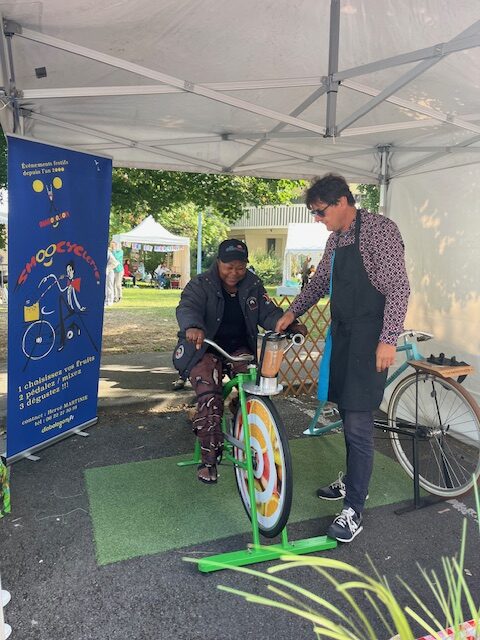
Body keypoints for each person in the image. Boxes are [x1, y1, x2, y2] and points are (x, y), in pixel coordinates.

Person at [275, 173, 410, 543]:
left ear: (341, 202)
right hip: (345, 334)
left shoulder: (379, 231)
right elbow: (320, 283)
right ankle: (353, 481)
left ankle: (354, 509)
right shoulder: (336, 239)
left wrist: (387, 340)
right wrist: (294, 311)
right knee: (347, 413)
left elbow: (399, 288)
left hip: (371, 337)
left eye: (320, 212)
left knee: (357, 423)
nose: (318, 220)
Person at [173, 238, 304, 484]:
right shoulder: (201, 284)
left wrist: (289, 324)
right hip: (206, 348)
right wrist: (192, 326)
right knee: (210, 396)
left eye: (240, 267)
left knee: (256, 383)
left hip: (239, 347)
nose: (234, 273)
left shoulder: (253, 284)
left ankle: (245, 416)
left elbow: (268, 312)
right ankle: (209, 460)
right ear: (218, 263)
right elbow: (187, 307)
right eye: (228, 266)